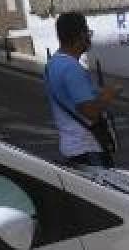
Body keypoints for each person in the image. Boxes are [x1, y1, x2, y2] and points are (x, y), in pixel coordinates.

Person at [44, 12, 121, 167]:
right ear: (79, 36)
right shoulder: (72, 68)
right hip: (88, 149)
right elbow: (90, 112)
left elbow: (70, 98)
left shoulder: (52, 65)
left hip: (71, 148)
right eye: (87, 32)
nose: (89, 37)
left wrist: (94, 93)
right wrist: (109, 95)